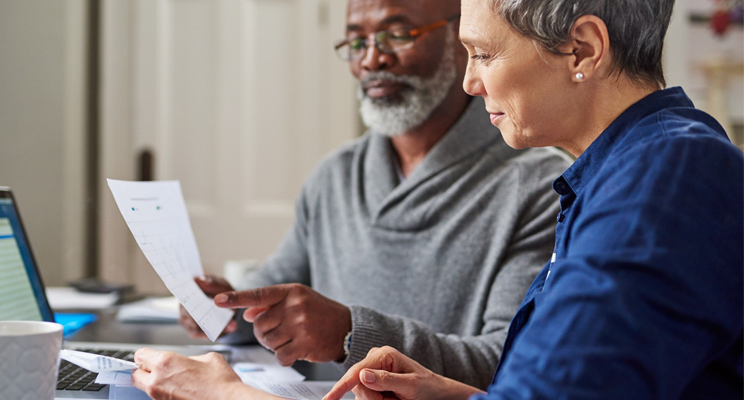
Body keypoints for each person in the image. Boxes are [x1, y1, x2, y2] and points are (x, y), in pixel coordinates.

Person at [129, 0, 743, 398]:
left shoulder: (662, 177)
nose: (472, 80)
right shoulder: (620, 172)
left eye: (482, 53)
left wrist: (226, 396)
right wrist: (449, 392)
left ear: (581, 48)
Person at [178, 0, 571, 389]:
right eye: (356, 42)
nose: (371, 60)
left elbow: (509, 360)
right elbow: (276, 297)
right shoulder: (336, 175)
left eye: (397, 35)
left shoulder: (541, 187)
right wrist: (226, 310)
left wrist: (351, 334)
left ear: (462, 38)